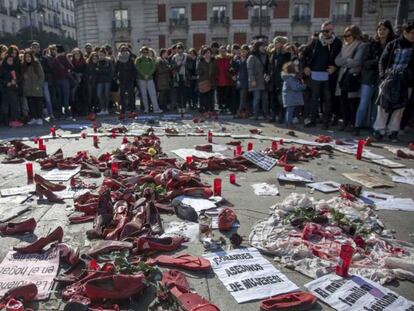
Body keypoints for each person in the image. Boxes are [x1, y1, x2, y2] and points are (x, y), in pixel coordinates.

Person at [372, 21, 414, 142]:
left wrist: (409, 77)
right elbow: (382, 61)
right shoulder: (393, 44)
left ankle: (393, 131)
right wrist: (382, 76)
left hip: (406, 82)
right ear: (405, 32)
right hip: (389, 79)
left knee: (400, 108)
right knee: (383, 106)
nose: (413, 35)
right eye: (411, 33)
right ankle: (379, 130)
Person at [355, 20, 395, 136]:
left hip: (383, 79)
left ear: (389, 30)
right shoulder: (370, 45)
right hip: (369, 78)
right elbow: (364, 62)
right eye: (380, 29)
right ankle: (357, 125)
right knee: (364, 102)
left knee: (376, 105)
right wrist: (378, 61)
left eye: (384, 29)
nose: (382, 31)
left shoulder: (392, 45)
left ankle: (373, 127)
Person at [301, 21, 342, 129]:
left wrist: (335, 67)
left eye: (327, 30)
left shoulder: (337, 42)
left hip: (329, 75)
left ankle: (326, 122)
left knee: (328, 99)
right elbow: (303, 54)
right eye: (322, 30)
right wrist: (305, 67)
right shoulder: (315, 41)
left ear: (332, 30)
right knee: (314, 99)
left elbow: (341, 58)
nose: (324, 33)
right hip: (315, 75)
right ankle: (313, 120)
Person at [335, 25, 367, 131]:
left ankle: (352, 123)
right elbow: (337, 61)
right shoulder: (344, 46)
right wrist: (347, 60)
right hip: (343, 77)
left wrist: (345, 61)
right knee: (343, 101)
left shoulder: (361, 46)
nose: (346, 37)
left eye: (348, 35)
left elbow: (357, 62)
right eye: (344, 35)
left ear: (355, 35)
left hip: (353, 77)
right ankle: (345, 121)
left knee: (352, 102)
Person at [269, 36, 291, 123]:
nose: (275, 44)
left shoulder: (286, 54)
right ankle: (273, 116)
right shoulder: (273, 53)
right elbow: (270, 65)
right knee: (273, 98)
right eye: (274, 42)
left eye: (277, 42)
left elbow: (286, 66)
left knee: (281, 99)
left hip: (281, 78)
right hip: (273, 78)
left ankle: (281, 116)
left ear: (282, 43)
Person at [135, 46, 163, 113]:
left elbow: (153, 68)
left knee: (153, 94)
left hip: (150, 79)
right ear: (141, 52)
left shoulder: (150, 59)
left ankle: (156, 109)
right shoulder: (138, 59)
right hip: (141, 79)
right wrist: (144, 75)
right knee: (144, 94)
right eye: (143, 52)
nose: (145, 53)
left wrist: (148, 75)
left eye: (146, 52)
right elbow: (138, 68)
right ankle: (146, 109)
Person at [247, 40, 270, 120]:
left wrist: (268, 75)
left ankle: (265, 114)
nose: (264, 47)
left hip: (264, 80)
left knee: (265, 98)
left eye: (264, 46)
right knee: (257, 98)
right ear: (257, 47)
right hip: (256, 80)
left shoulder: (266, 55)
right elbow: (250, 69)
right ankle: (255, 114)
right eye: (262, 46)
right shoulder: (252, 56)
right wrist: (252, 79)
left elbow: (268, 67)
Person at [31, 42, 54, 120]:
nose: (36, 49)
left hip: (44, 81)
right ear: (31, 48)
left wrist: (44, 74)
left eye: (37, 47)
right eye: (34, 47)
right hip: (33, 82)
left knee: (47, 98)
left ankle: (51, 114)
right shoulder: (29, 58)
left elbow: (49, 69)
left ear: (40, 48)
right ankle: (40, 115)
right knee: (37, 99)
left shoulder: (43, 58)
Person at [22, 51, 45, 125]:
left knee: (38, 103)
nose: (27, 58)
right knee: (31, 104)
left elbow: (41, 75)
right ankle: (34, 118)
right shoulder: (23, 65)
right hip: (28, 88)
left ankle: (40, 118)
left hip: (36, 87)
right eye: (26, 57)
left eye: (29, 57)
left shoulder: (36, 63)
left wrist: (39, 85)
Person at [115, 45, 138, 118]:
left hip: (129, 79)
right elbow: (115, 71)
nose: (124, 52)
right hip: (122, 79)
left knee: (131, 95)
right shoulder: (118, 60)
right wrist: (117, 79)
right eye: (123, 50)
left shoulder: (131, 59)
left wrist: (133, 78)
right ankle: (123, 109)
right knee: (122, 95)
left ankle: (132, 109)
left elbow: (134, 70)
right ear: (121, 51)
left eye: (126, 50)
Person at [281, 62, 306, 129]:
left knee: (290, 111)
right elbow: (295, 87)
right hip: (290, 97)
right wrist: (303, 86)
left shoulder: (290, 77)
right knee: (290, 111)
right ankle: (289, 124)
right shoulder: (290, 78)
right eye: (296, 67)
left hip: (290, 97)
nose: (297, 67)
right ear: (292, 69)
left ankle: (288, 124)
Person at [51, 44, 74, 119]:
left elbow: (53, 70)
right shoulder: (64, 57)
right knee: (66, 98)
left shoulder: (55, 59)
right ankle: (67, 114)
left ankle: (60, 114)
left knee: (59, 98)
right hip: (65, 80)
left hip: (57, 80)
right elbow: (71, 67)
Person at [0, 54, 22, 127]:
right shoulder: (2, 68)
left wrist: (16, 81)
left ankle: (14, 120)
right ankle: (6, 121)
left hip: (13, 89)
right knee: (6, 105)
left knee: (14, 104)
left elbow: (18, 77)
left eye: (12, 60)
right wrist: (7, 83)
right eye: (9, 60)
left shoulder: (14, 68)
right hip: (5, 89)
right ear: (6, 60)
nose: (11, 61)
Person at [197, 46, 217, 113]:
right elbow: (197, 71)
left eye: (209, 53)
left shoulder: (213, 62)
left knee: (211, 96)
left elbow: (217, 71)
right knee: (203, 96)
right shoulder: (201, 62)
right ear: (204, 54)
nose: (207, 54)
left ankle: (210, 109)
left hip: (211, 82)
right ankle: (203, 109)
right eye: (206, 53)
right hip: (203, 82)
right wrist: (202, 71)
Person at [215, 45, 233, 114]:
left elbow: (231, 68)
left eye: (224, 51)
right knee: (219, 95)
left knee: (226, 95)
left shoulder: (229, 58)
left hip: (227, 80)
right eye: (221, 51)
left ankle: (225, 107)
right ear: (219, 51)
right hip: (219, 80)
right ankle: (220, 107)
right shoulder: (217, 59)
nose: (223, 52)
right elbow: (215, 69)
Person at [95, 48, 113, 115]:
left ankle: (106, 109)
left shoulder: (108, 61)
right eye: (99, 55)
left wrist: (100, 71)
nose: (100, 56)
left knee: (106, 95)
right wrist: (103, 71)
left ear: (105, 55)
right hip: (99, 81)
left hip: (107, 80)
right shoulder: (97, 62)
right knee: (99, 94)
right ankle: (102, 109)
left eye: (102, 55)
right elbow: (96, 71)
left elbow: (110, 71)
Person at [171, 43, 188, 113]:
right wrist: (177, 65)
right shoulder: (174, 57)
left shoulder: (187, 56)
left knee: (184, 93)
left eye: (181, 49)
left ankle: (184, 106)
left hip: (185, 76)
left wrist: (185, 64)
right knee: (178, 93)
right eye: (178, 49)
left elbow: (190, 66)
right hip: (177, 76)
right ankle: (179, 107)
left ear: (183, 49)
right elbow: (172, 67)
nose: (179, 50)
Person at [235, 44, 250, 118]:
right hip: (239, 81)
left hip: (246, 81)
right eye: (242, 51)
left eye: (244, 51)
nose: (243, 53)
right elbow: (236, 70)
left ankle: (239, 112)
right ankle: (247, 112)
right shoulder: (238, 60)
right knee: (244, 98)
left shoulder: (248, 60)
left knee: (243, 97)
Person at [71, 48, 87, 117]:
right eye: (76, 54)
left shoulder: (83, 61)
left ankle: (83, 111)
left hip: (83, 80)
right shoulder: (71, 62)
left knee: (83, 95)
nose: (77, 55)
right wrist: (76, 76)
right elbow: (71, 71)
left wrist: (81, 75)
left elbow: (86, 70)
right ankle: (74, 111)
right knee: (74, 96)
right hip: (74, 81)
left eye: (78, 54)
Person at [85, 52, 99, 118]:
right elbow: (86, 74)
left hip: (96, 82)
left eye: (96, 59)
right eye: (93, 58)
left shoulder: (98, 65)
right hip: (89, 82)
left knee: (96, 95)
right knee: (90, 96)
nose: (95, 60)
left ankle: (96, 107)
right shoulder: (88, 65)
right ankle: (89, 108)